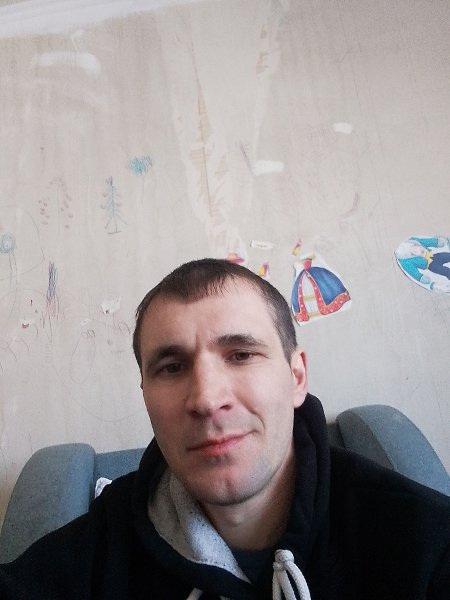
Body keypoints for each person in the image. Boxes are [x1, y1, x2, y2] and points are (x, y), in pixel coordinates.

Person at [1, 258, 450, 599]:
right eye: (172, 367)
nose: (206, 399)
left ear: (297, 377)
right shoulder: (98, 550)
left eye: (241, 355)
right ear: (145, 394)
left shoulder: (424, 543)